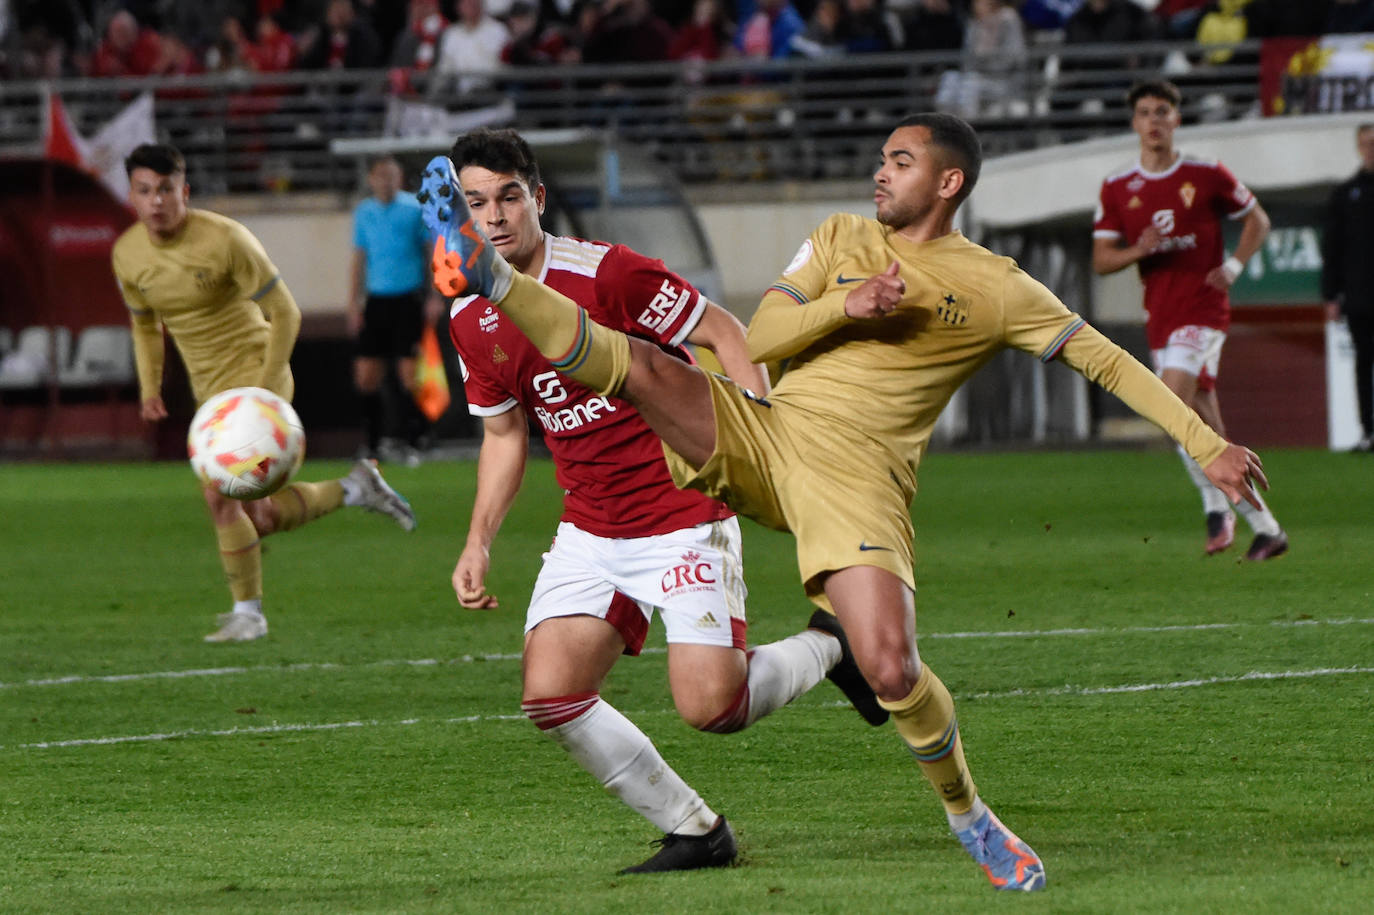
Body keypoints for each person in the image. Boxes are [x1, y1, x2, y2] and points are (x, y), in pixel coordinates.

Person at [418, 112, 1269, 891]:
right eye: (880, 158)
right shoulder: (837, 238)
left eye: (899, 162)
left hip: (856, 480)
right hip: (765, 433)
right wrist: (847, 303)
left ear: (947, 183)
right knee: (641, 369)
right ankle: (494, 280)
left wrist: (1208, 443)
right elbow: (763, 336)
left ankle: (969, 813)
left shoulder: (998, 287)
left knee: (891, 665)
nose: (878, 173)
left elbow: (1109, 362)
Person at [435, 127, 885, 874]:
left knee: (714, 707)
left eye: (510, 196)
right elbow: (506, 437)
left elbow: (723, 331)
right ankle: (696, 830)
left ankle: (833, 643)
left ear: (537, 198)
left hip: (682, 513)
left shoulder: (606, 275)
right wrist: (478, 539)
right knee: (551, 696)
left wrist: (759, 433)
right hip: (591, 526)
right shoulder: (468, 317)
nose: (496, 216)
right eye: (476, 202)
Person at [112, 144, 417, 644]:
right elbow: (145, 326)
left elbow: (286, 311)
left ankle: (248, 614)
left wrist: (267, 388)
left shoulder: (226, 238)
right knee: (261, 516)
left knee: (219, 496)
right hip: (211, 397)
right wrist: (150, 388)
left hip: (257, 376)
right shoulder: (127, 254)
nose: (157, 201)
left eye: (166, 190)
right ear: (133, 196)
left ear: (183, 191)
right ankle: (356, 488)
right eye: (145, 191)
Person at [1093, 80, 1287, 560]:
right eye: (1144, 112)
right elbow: (1100, 259)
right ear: (1134, 122)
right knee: (1201, 417)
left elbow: (1257, 220)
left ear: (1177, 119)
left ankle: (1215, 509)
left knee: (1170, 403)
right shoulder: (1118, 186)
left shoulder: (1205, 174)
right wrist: (1139, 250)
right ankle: (1265, 526)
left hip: (1203, 310)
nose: (1154, 121)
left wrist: (1235, 266)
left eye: (1163, 111)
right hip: (1161, 313)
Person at [347, 154, 443, 463]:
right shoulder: (364, 212)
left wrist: (434, 296)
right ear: (371, 179)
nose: (386, 181)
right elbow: (359, 259)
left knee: (408, 374)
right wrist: (353, 302)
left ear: (399, 179)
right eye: (381, 176)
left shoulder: (415, 209)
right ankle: (374, 444)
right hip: (377, 300)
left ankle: (413, 440)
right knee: (365, 375)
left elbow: (431, 252)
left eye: (392, 176)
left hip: (409, 298)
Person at [1321, 123, 1374, 452]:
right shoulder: (1345, 195)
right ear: (1358, 148)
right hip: (1359, 296)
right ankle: (1369, 432)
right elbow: (1332, 249)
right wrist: (1330, 295)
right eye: (1366, 144)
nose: (1370, 149)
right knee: (1363, 363)